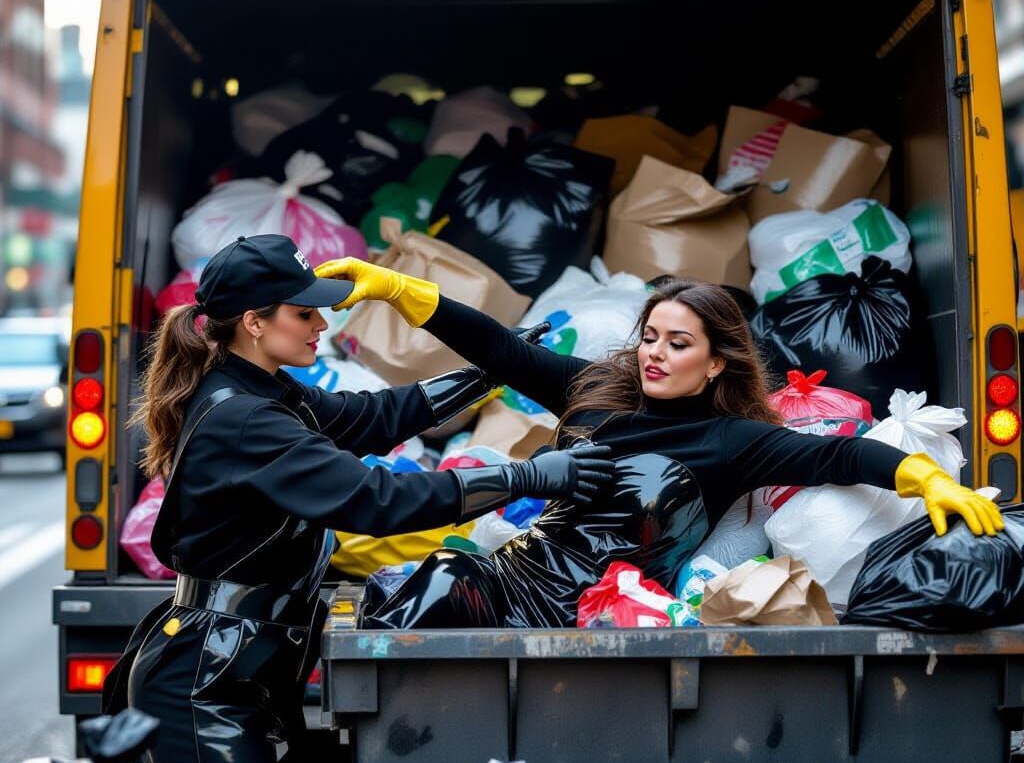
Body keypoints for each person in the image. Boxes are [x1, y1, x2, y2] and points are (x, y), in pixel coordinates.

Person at [102, 234, 614, 763]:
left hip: (241, 665)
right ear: (253, 321)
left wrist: (496, 366)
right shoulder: (245, 418)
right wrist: (527, 476)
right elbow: (376, 500)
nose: (321, 323)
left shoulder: (263, 391)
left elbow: (368, 418)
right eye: (304, 312)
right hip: (205, 681)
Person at [312, 257, 1004, 630]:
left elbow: (841, 455)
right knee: (430, 582)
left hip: (603, 616)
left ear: (715, 363)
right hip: (509, 583)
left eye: (677, 344)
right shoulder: (592, 390)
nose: (654, 354)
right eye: (648, 338)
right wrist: (398, 290)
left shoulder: (734, 441)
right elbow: (498, 347)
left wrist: (926, 478)